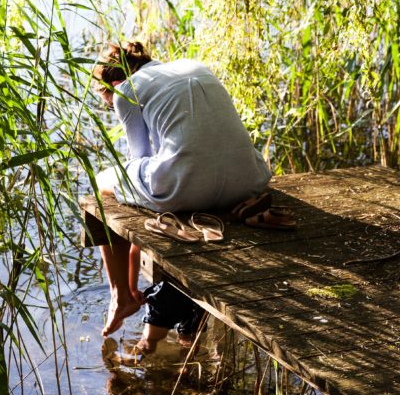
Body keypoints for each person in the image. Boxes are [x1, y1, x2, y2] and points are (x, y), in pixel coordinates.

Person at [92, 41, 272, 349]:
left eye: (108, 101)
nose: (112, 106)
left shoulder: (127, 90)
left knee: (102, 182)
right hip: (249, 180)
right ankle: (165, 314)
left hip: (183, 188)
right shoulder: (194, 65)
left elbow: (138, 160)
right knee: (169, 169)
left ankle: (121, 295)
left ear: (114, 84)